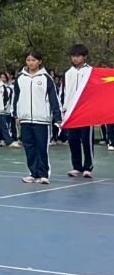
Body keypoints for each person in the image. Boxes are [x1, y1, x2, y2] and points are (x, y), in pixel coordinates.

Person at [15, 50, 61, 185]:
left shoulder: (46, 78)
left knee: (42, 147)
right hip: (25, 119)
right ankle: (33, 173)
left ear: (40, 61)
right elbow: (15, 97)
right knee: (29, 147)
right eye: (28, 60)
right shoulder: (20, 78)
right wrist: (15, 113)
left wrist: (57, 117)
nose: (31, 63)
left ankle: (43, 174)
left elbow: (54, 99)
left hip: (42, 120)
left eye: (34, 60)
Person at [62, 44, 95, 178]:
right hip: (71, 111)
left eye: (78, 56)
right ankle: (77, 166)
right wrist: (65, 108)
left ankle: (88, 167)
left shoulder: (90, 71)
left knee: (86, 140)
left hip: (86, 110)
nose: (75, 59)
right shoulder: (68, 73)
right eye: (73, 56)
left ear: (84, 57)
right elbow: (65, 92)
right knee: (73, 139)